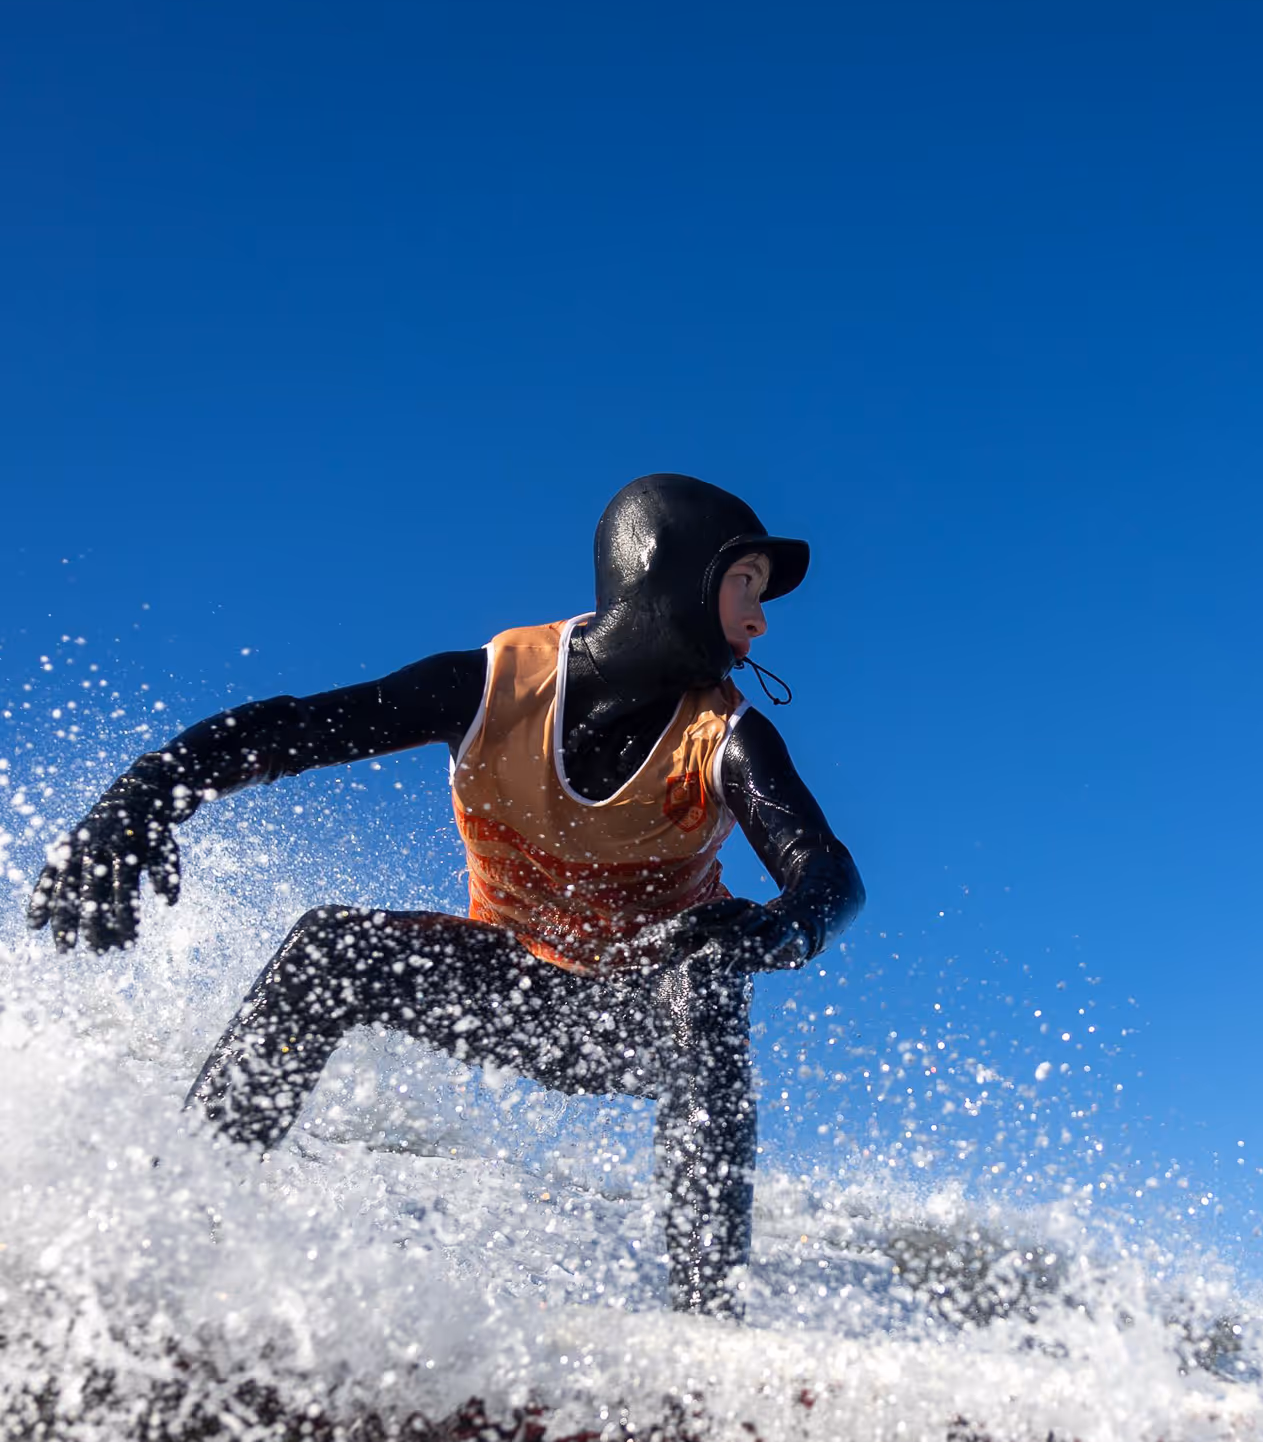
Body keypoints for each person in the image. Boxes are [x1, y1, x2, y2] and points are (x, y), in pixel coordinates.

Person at [29, 475, 865, 1317]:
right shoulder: (497, 684)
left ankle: (710, 1330)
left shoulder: (724, 738)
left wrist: (770, 933)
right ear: (665, 572)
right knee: (330, 948)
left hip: (636, 1018)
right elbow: (287, 728)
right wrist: (137, 801)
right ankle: (178, 1233)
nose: (758, 620)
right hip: (503, 990)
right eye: (744, 585)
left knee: (703, 980)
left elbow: (829, 874)